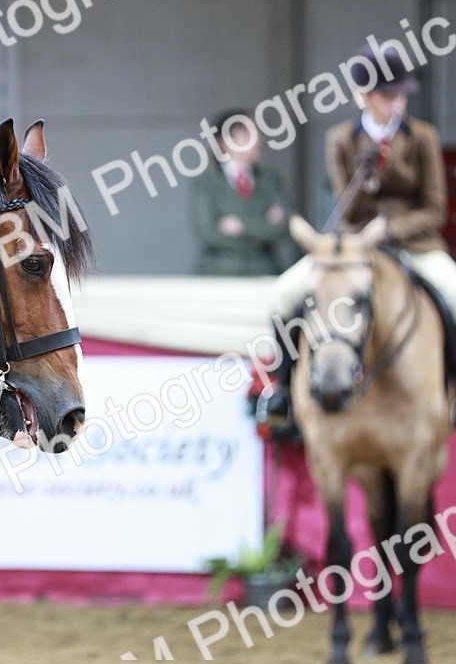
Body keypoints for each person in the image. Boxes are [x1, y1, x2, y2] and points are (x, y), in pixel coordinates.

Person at [266, 44, 456, 420]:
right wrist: (364, 176)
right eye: (388, 95)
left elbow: (435, 209)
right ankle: (283, 391)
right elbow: (346, 207)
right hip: (356, 247)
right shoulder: (341, 138)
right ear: (364, 96)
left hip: (415, 243)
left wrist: (391, 228)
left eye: (401, 94)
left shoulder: (422, 137)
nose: (397, 102)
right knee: (283, 295)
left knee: (455, 295)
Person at [192, 108, 292, 276]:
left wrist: (240, 225)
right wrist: (262, 226)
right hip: (219, 273)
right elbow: (208, 233)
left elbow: (283, 228)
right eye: (247, 134)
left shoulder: (270, 179)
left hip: (265, 271)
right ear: (224, 142)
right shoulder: (205, 183)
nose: (257, 141)